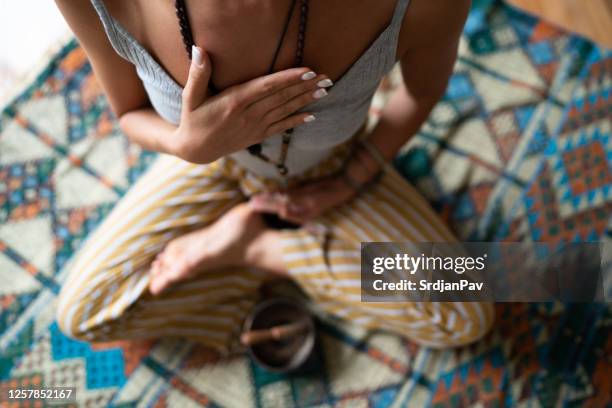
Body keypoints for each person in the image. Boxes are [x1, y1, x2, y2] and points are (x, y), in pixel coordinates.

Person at [55, 0, 493, 350]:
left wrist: (349, 182)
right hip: (209, 164)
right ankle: (273, 256)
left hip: (330, 170)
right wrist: (185, 145)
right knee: (81, 314)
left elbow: (419, 98)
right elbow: (130, 113)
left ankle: (258, 251)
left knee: (466, 307)